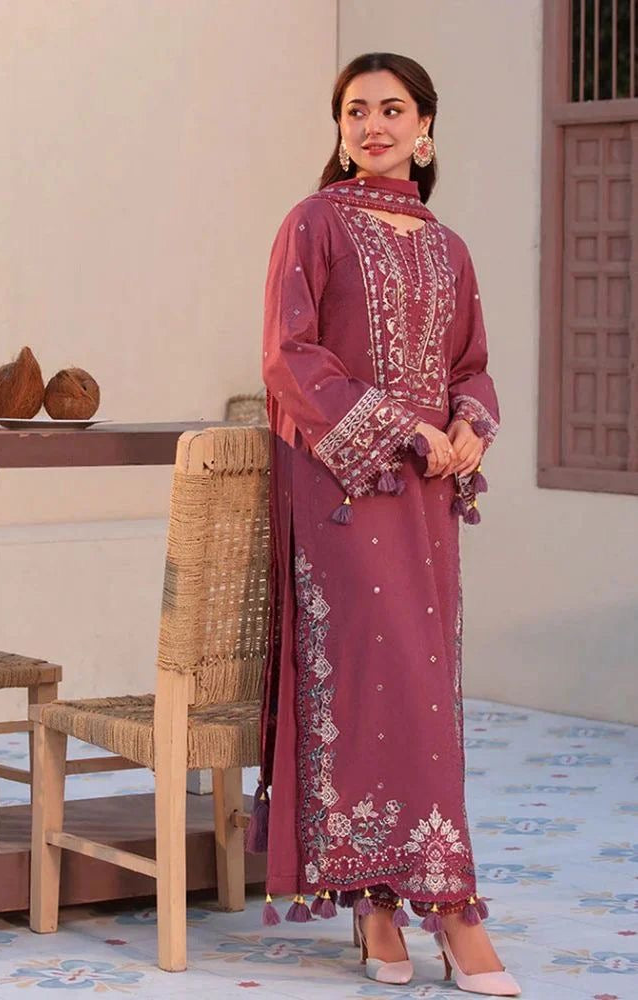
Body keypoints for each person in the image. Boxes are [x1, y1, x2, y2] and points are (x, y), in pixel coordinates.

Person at [249, 51, 521, 996]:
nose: (373, 125)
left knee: (426, 691)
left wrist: (469, 425)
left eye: (392, 109)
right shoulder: (313, 223)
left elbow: (471, 363)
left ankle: (423, 901)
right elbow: (289, 357)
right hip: (344, 487)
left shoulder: (450, 248)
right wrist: (399, 426)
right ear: (338, 128)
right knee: (372, 684)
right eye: (356, 110)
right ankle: (406, 907)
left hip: (428, 497)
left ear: (425, 128)